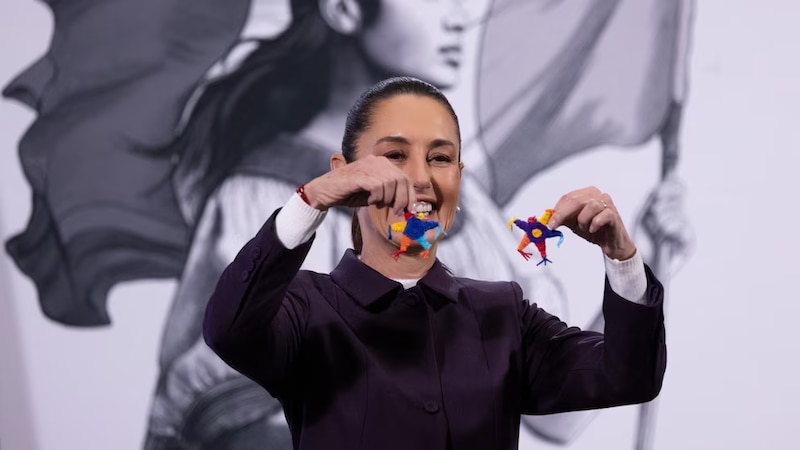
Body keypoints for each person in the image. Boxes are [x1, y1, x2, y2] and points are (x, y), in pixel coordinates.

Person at [203, 76, 666, 450]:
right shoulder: (305, 307)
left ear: (459, 179)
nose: (421, 179)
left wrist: (621, 257)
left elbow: (627, 374)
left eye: (441, 158)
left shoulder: (502, 312)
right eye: (395, 156)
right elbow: (229, 328)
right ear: (343, 170)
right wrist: (311, 198)